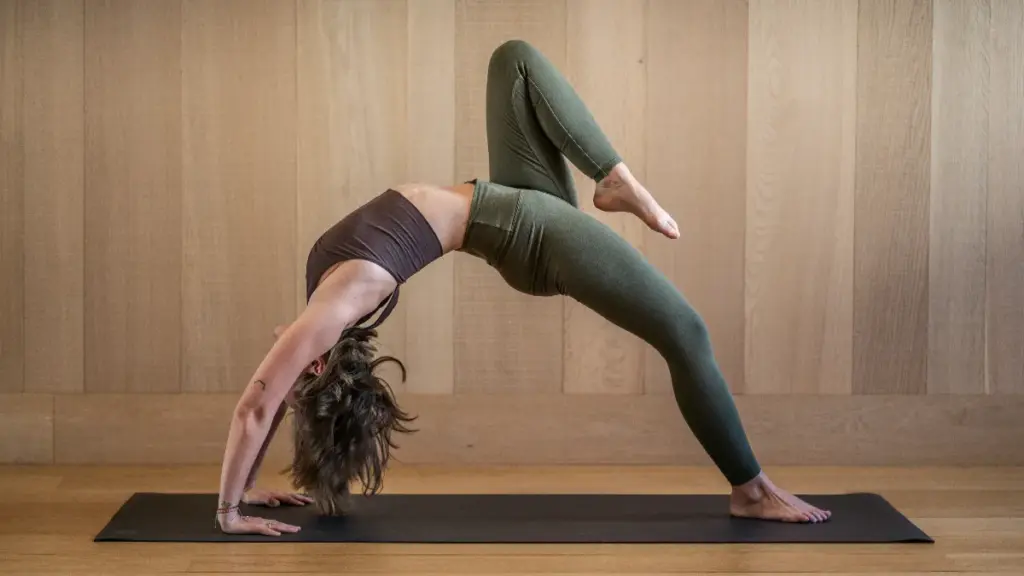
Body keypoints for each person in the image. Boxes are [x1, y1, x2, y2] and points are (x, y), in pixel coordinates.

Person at [213, 40, 831, 537]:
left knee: (513, 61)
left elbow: (272, 397)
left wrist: (245, 486)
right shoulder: (334, 307)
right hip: (524, 234)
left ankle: (613, 181)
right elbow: (255, 407)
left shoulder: (323, 295)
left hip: (509, 202)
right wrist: (229, 511)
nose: (277, 360)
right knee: (686, 332)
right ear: (317, 366)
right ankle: (750, 489)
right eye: (297, 380)